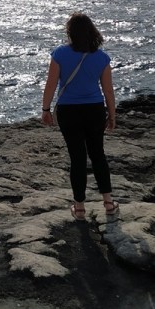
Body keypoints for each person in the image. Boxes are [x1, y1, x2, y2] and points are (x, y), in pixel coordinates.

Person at [40, 12, 118, 220]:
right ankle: (109, 202)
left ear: (70, 33)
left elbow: (51, 85)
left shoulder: (59, 54)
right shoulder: (101, 58)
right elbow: (108, 91)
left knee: (77, 158)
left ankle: (80, 207)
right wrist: (112, 114)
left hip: (69, 111)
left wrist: (45, 109)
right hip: (94, 109)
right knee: (98, 154)